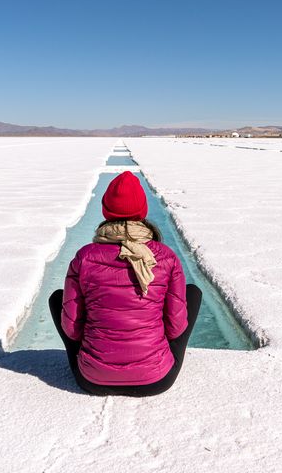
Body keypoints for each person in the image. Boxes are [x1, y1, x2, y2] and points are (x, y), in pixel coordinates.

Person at [49, 170, 203, 396]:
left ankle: (96, 364)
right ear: (142, 212)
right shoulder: (166, 257)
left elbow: (72, 329)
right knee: (193, 292)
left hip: (92, 380)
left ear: (106, 211)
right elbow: (175, 328)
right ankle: (151, 361)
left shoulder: (84, 257)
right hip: (155, 380)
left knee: (57, 298)